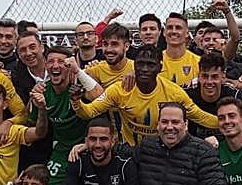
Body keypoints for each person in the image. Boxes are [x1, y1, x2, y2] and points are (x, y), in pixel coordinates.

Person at [73, 48, 217, 145]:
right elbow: (88, 112)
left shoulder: (174, 93)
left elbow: (200, 116)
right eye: (140, 64)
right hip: (129, 151)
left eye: (150, 65)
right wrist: (76, 101)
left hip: (161, 152)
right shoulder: (120, 89)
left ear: (160, 67)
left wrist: (224, 123)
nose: (145, 69)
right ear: (134, 66)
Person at [30, 47, 88, 185]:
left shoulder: (82, 87)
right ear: (45, 65)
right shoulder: (42, 92)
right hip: (61, 150)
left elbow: (103, 112)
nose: (55, 66)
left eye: (61, 62)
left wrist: (88, 143)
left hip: (90, 146)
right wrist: (41, 109)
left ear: (70, 66)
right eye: (51, 61)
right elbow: (39, 132)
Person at [86, 23, 136, 90]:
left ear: (126, 46)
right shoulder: (95, 70)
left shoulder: (136, 69)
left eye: (114, 44)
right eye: (105, 44)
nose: (109, 49)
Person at [159, 13, 200, 86]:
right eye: (170, 27)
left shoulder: (198, 62)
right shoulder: (156, 61)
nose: (173, 31)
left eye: (178, 28)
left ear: (187, 33)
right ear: (164, 32)